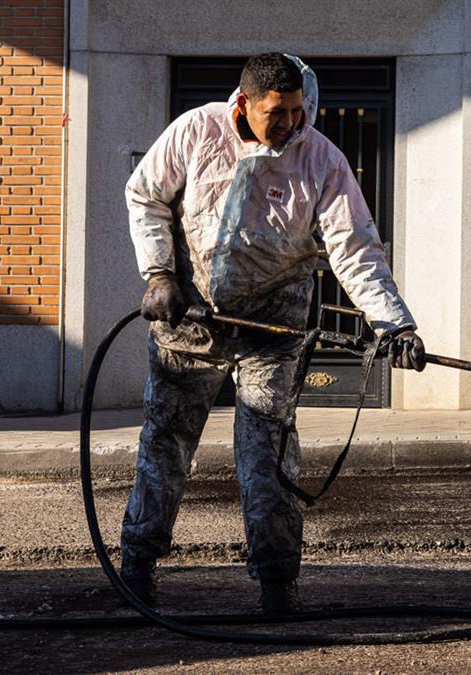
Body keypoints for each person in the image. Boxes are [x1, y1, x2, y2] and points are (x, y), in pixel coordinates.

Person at [121, 53, 425, 613]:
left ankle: (277, 581)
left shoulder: (321, 159)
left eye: (298, 111)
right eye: (277, 113)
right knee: (165, 441)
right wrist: (161, 272)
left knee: (268, 450)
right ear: (244, 104)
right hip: (191, 319)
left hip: (273, 326)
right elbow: (145, 195)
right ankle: (137, 565)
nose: (290, 123)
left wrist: (393, 322)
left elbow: (354, 247)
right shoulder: (195, 131)